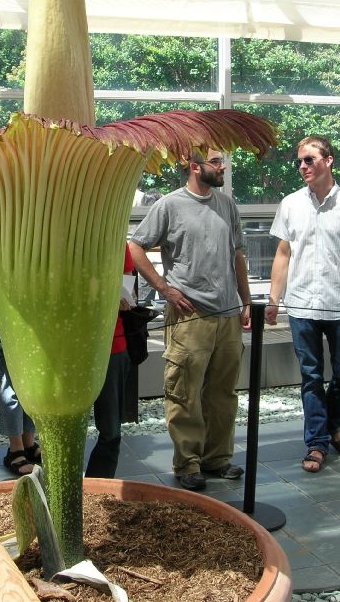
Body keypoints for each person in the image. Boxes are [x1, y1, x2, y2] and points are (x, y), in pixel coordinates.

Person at [129, 149, 250, 491]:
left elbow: (237, 253)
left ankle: (216, 459)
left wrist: (246, 299)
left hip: (226, 314)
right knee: (184, 392)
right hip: (188, 315)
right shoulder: (169, 205)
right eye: (216, 162)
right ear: (194, 167)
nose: (222, 166)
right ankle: (187, 463)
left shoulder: (226, 205)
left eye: (223, 161)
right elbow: (137, 246)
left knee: (222, 392)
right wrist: (164, 289)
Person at [266, 135, 340, 474]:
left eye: (309, 160)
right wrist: (273, 299)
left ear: (328, 161)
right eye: (299, 161)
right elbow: (283, 253)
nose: (302, 167)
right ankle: (316, 442)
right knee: (310, 377)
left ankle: (334, 426)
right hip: (302, 307)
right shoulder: (291, 204)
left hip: (339, 305)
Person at [86, 244, 134, 478]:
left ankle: (97, 489)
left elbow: (127, 282)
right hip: (71, 349)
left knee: (110, 429)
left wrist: (123, 297)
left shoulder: (116, 240)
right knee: (63, 431)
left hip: (111, 345)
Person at [0, 303, 40, 475]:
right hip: (5, 316)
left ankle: (28, 445)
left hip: (28, 314)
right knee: (11, 388)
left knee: (31, 386)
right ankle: (16, 450)